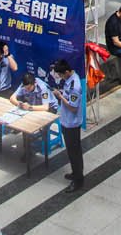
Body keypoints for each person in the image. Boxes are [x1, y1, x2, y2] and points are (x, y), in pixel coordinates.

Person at [49, 59, 84, 192]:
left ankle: (78, 180)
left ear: (67, 72)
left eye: (62, 75)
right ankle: (76, 173)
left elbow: (73, 108)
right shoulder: (69, 81)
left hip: (72, 124)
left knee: (74, 152)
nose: (61, 78)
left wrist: (60, 96)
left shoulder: (75, 86)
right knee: (71, 151)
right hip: (66, 121)